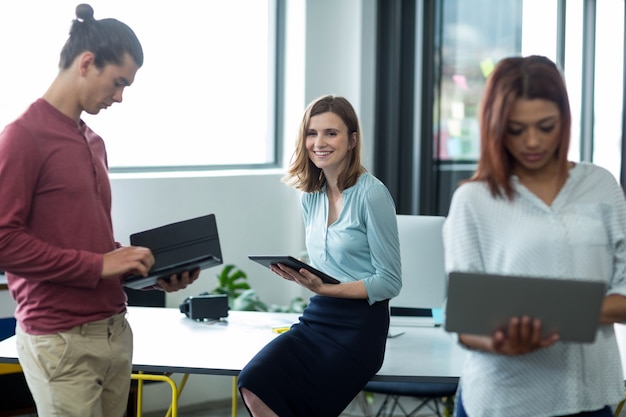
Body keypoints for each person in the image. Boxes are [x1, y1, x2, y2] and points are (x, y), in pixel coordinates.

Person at [0, 4, 199, 417]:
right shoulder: (22, 137)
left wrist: (143, 271)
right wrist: (100, 264)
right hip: (60, 340)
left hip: (114, 330)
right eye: (118, 82)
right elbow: (4, 242)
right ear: (87, 63)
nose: (121, 97)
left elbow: (87, 244)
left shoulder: (94, 142)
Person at [443, 55, 626, 417]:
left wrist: (550, 316)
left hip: (589, 398)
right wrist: (499, 341)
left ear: (565, 121)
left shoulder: (601, 186)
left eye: (546, 126)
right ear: (495, 127)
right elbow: (464, 321)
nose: (532, 141)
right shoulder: (474, 200)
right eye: (515, 129)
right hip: (503, 399)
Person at [237, 95, 402, 416]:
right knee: (254, 381)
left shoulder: (372, 194)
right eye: (312, 133)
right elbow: (332, 264)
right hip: (319, 317)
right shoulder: (310, 197)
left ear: (352, 140)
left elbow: (390, 282)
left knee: (302, 405)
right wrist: (301, 275)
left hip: (359, 327)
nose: (319, 142)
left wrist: (328, 289)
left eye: (331, 133)